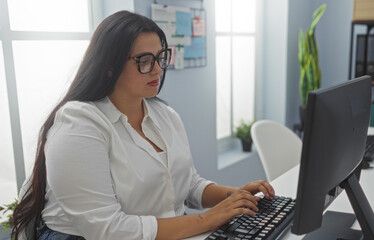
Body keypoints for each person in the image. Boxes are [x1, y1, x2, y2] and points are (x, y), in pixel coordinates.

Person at [12, 11, 275, 240]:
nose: (158, 70)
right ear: (109, 67)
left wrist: (235, 196)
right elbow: (107, 230)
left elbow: (187, 184)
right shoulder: (79, 124)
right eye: (144, 61)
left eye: (161, 57)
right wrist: (210, 219)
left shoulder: (165, 115)